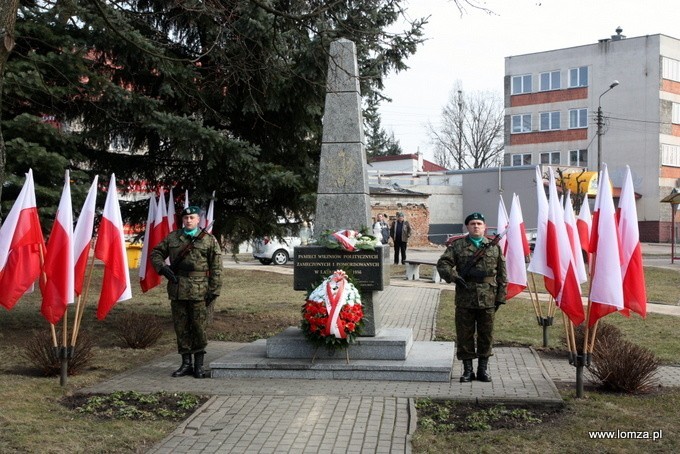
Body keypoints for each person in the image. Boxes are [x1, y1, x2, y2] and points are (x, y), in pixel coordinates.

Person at [151, 205, 222, 379]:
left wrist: (213, 290)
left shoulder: (208, 240)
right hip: (178, 288)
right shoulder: (173, 237)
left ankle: (198, 365)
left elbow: (217, 267)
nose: (188, 220)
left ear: (198, 220)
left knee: (199, 327)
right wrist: (162, 268)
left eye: (192, 218)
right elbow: (155, 253)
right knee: (181, 327)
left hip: (200, 290)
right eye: (186, 218)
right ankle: (186, 364)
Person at [436, 212, 507, 383]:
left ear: (484, 227)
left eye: (479, 223)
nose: (476, 226)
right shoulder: (458, 245)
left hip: (488, 298)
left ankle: (483, 370)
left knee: (486, 335)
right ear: (467, 227)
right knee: (464, 335)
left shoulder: (494, 247)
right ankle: (468, 371)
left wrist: (500, 297)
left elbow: (502, 274)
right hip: (465, 297)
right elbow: (443, 264)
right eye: (472, 223)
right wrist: (453, 276)